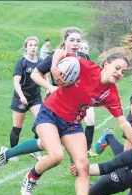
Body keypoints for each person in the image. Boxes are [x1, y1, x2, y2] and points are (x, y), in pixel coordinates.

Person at [0, 43, 132, 195]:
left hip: (72, 123)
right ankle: (31, 177)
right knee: (55, 155)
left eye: (123, 72)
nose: (119, 73)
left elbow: (123, 123)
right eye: (117, 68)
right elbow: (60, 52)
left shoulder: (111, 94)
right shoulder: (85, 66)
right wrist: (54, 68)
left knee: (82, 165)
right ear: (106, 64)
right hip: (50, 114)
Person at [32, 28, 96, 158]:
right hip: (56, 105)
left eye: (78, 41)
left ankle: (77, 167)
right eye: (71, 40)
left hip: (75, 108)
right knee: (47, 143)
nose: (75, 44)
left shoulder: (84, 58)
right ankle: (9, 153)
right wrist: (50, 87)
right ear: (65, 41)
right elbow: (35, 74)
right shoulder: (57, 56)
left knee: (71, 140)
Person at [8, 36, 43, 161]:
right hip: (21, 97)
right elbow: (16, 82)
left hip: (35, 97)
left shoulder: (41, 62)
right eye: (31, 45)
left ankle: (34, 150)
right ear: (26, 47)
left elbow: (45, 78)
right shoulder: (21, 62)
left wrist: (50, 90)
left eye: (35, 45)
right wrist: (22, 96)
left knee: (42, 121)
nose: (33, 47)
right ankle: (13, 153)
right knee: (17, 126)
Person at [78, 40, 98, 157]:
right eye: (82, 48)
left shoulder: (91, 65)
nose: (84, 50)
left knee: (90, 122)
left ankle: (87, 149)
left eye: (86, 48)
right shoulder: (74, 63)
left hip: (87, 98)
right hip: (74, 99)